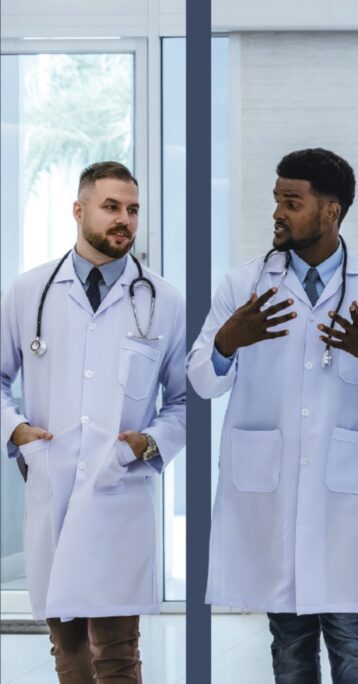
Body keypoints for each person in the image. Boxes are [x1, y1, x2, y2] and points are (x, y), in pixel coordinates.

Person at [187, 148, 358, 683]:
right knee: (289, 644)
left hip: (347, 498)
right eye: (277, 200)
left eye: (292, 202)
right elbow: (202, 380)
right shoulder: (244, 284)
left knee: (354, 646)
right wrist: (226, 344)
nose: (278, 212)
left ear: (331, 210)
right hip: (272, 493)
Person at [1, 161, 187, 682]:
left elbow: (184, 401)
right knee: (69, 649)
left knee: (117, 651)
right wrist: (16, 432)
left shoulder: (164, 300)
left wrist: (149, 442)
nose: (124, 220)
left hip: (118, 491)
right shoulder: (28, 292)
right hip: (53, 482)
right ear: (79, 211)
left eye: (132, 210)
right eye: (111, 208)